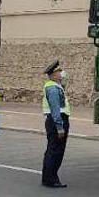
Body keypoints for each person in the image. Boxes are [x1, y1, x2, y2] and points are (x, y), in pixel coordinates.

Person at [41, 60, 69, 188]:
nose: (61, 73)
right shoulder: (52, 88)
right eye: (58, 71)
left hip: (54, 120)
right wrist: (59, 127)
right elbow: (55, 108)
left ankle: (49, 177)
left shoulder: (56, 85)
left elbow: (65, 80)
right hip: (56, 120)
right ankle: (51, 178)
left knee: (53, 149)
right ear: (52, 74)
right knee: (55, 150)